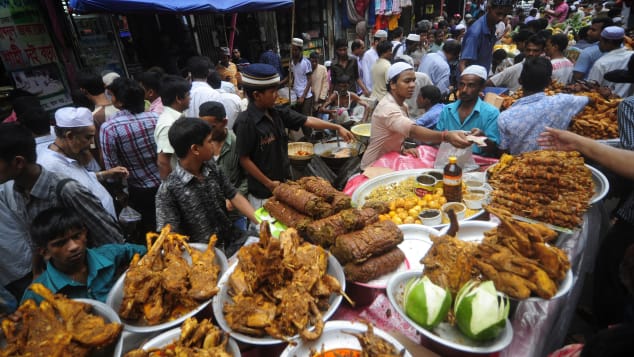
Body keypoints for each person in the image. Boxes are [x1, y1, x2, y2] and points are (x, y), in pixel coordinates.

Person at [0, 123, 124, 300]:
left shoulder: (67, 190)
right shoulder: (18, 191)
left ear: (18, 162)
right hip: (67, 285)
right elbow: (36, 237)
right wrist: (36, 273)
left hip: (99, 281)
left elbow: (112, 239)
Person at [233, 64, 355, 207]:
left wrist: (336, 126)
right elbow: (244, 159)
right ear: (257, 95)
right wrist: (268, 183)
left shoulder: (276, 112)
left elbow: (307, 120)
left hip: (284, 184)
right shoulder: (245, 122)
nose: (277, 95)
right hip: (263, 194)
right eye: (272, 92)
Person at [156, 117, 257, 256]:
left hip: (232, 241)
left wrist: (260, 221)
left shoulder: (211, 167)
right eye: (209, 141)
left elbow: (233, 194)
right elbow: (171, 238)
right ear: (195, 149)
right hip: (205, 258)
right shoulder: (168, 191)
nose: (213, 145)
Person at [20, 207, 146, 304]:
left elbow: (148, 252)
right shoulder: (37, 293)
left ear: (85, 233)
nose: (73, 247)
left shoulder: (110, 254)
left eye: (76, 236)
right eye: (60, 243)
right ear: (45, 252)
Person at [360, 62, 471, 169]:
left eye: (413, 80)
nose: (412, 85)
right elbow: (412, 131)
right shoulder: (388, 108)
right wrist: (445, 136)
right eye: (407, 81)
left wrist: (402, 149)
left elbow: (396, 135)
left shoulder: (403, 105)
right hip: (373, 166)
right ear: (393, 84)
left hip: (390, 161)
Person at [38, 107, 129, 218]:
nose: (91, 143)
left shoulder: (69, 154)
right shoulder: (50, 165)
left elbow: (79, 181)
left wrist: (106, 174)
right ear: (70, 136)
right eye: (88, 137)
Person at [100, 77, 161, 234]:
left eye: (112, 95)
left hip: (139, 189)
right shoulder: (155, 118)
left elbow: (113, 167)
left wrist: (119, 192)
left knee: (152, 228)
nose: (110, 99)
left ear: (120, 102)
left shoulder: (110, 128)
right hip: (165, 180)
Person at [498, 57, 588, 155]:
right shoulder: (563, 101)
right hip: (556, 166)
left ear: (520, 80)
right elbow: (589, 99)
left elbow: (503, 152)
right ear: (550, 82)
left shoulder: (505, 117)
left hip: (519, 167)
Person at [199, 101, 248, 232]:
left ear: (225, 122)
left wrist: (234, 198)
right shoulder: (199, 147)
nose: (207, 131)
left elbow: (248, 177)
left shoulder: (237, 144)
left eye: (212, 127)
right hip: (209, 218)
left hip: (235, 215)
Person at [437, 65, 501, 157]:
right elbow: (437, 138)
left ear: (481, 87)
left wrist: (482, 138)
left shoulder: (492, 113)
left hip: (477, 163)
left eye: (471, 85)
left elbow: (493, 149)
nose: (464, 90)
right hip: (447, 159)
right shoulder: (447, 110)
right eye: (461, 84)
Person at [459, 0, 514, 73]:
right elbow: (463, 64)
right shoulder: (475, 33)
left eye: (504, 15)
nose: (501, 18)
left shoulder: (492, 26)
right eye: (498, 14)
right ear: (489, 9)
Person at [155, 75, 191, 179]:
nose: (190, 98)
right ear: (178, 99)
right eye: (188, 95)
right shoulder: (168, 124)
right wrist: (172, 191)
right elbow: (163, 162)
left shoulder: (177, 117)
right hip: (180, 183)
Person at [587, 27, 633, 98]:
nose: (599, 44)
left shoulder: (601, 63)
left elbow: (591, 89)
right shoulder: (632, 55)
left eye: (601, 41)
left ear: (609, 42)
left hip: (606, 106)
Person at [572, 17, 614, 81]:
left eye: (593, 30)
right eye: (589, 29)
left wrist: (575, 66)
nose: (588, 32)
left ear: (605, 32)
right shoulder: (623, 49)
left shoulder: (588, 52)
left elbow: (577, 77)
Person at [309, 52, 330, 119]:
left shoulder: (323, 69)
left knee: (321, 116)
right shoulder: (307, 70)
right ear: (310, 61)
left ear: (318, 60)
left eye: (316, 61)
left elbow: (325, 84)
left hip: (320, 98)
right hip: (310, 99)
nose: (314, 63)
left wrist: (322, 97)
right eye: (312, 62)